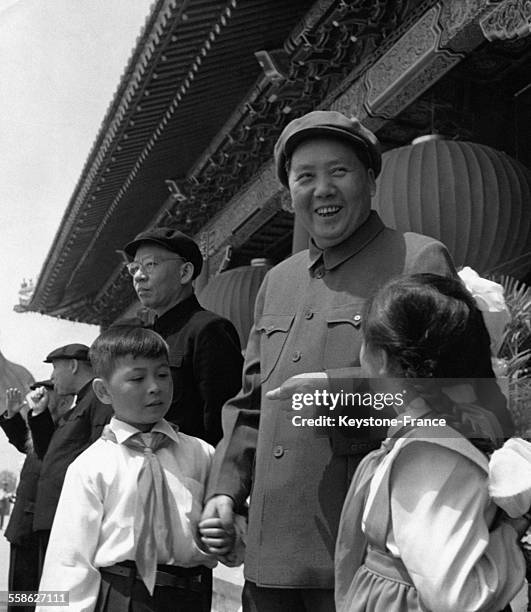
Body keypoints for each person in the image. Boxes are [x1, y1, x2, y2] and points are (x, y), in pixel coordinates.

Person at [202, 110, 459, 611]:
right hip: (270, 558)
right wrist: (225, 492)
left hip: (368, 558)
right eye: (306, 177)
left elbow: (461, 401)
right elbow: (250, 402)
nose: (322, 189)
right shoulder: (278, 280)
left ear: (370, 179)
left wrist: (333, 398)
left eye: (339, 172)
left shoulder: (417, 260)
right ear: (288, 196)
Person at [335, 273, 525, 612]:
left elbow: (458, 599)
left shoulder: (432, 457)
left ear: (379, 358)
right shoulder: (424, 441)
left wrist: (512, 536)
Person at [37, 325, 232, 612]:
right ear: (103, 391)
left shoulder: (202, 454)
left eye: (163, 374)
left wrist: (230, 535)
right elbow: (70, 561)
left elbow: (231, 523)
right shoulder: (91, 466)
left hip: (192, 597)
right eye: (138, 378)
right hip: (122, 596)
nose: (155, 387)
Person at [123, 228, 243, 445]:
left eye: (150, 264)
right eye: (134, 268)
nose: (139, 276)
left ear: (185, 272)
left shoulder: (208, 330)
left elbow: (224, 424)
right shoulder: (148, 339)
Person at [27, 343, 113, 573]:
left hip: (69, 515)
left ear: (74, 366)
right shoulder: (79, 406)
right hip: (54, 516)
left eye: (55, 369)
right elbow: (49, 454)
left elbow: (99, 457)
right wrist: (39, 413)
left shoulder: (98, 401)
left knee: (64, 594)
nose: (52, 377)